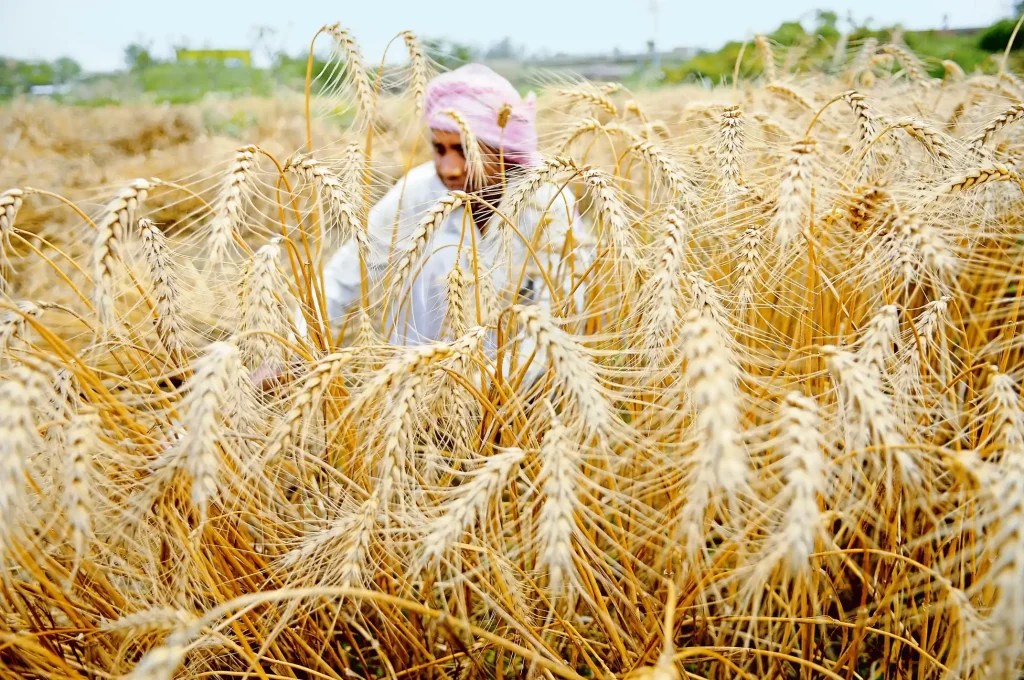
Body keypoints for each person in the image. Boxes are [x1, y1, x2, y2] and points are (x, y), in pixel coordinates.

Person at [262, 64, 590, 386]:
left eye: (465, 150)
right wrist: (297, 349)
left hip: (517, 396)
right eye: (439, 149)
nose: (449, 168)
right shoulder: (417, 191)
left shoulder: (546, 204)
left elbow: (560, 313)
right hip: (413, 391)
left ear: (503, 148)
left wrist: (486, 388)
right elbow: (347, 272)